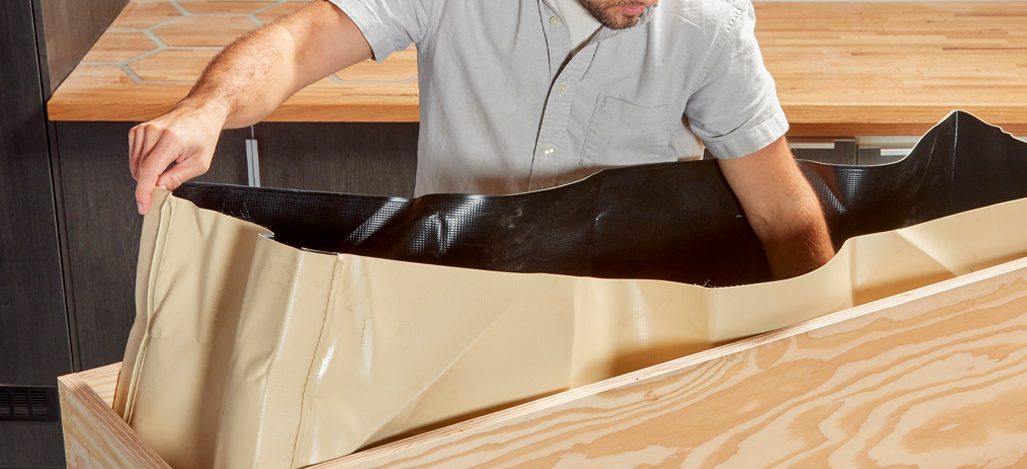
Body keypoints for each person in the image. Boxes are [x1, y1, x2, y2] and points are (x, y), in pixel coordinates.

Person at [128, 0, 834, 277]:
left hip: (630, 322)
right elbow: (301, 41)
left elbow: (783, 213)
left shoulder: (709, 26)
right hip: (452, 293)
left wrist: (816, 361)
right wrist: (208, 108)